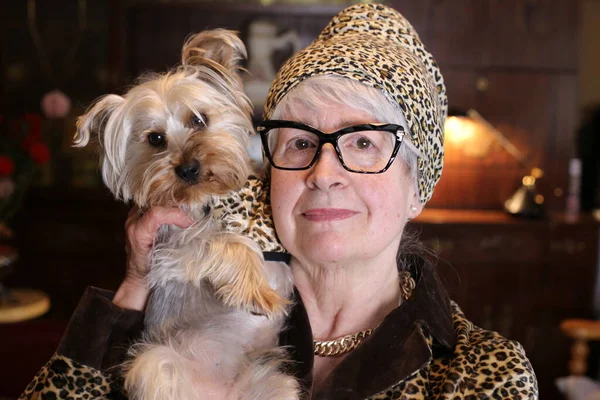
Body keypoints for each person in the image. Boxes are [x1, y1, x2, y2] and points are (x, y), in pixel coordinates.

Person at [19, 4, 538, 400]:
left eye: (363, 142)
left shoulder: (478, 372)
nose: (325, 173)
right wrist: (135, 287)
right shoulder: (172, 303)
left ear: (416, 185)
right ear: (267, 171)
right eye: (301, 142)